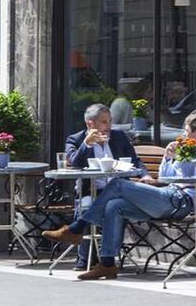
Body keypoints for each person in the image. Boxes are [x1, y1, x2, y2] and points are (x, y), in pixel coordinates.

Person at [43, 112, 196, 280]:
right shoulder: (186, 149)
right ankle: (107, 264)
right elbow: (165, 177)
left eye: (186, 132)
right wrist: (169, 158)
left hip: (181, 201)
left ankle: (77, 228)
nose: (183, 136)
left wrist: (182, 158)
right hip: (166, 195)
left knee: (118, 184)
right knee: (114, 205)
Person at [65, 103, 153, 270]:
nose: (109, 126)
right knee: (86, 206)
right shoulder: (75, 140)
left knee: (115, 206)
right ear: (90, 124)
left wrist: (145, 174)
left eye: (110, 121)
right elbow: (75, 164)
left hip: (119, 190)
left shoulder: (119, 136)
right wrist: (87, 144)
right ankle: (85, 258)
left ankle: (106, 257)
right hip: (90, 190)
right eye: (104, 122)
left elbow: (135, 160)